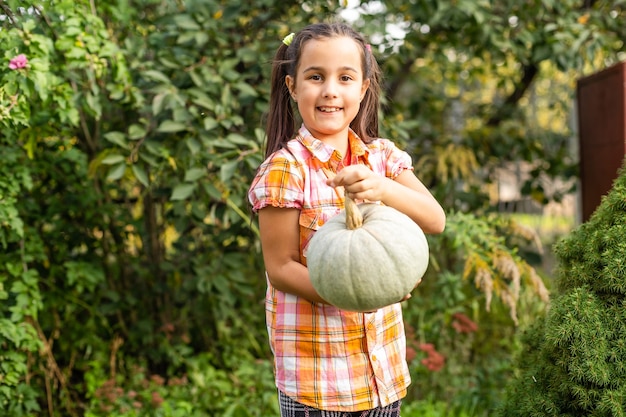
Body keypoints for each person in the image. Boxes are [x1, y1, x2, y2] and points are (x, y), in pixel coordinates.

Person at [248, 21, 446, 417]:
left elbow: (435, 219)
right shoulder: (286, 170)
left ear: (363, 89)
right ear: (292, 87)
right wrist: (356, 292)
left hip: (382, 373)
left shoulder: (382, 159)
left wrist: (382, 188)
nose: (330, 91)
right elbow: (281, 267)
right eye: (315, 77)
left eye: (345, 77)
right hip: (317, 380)